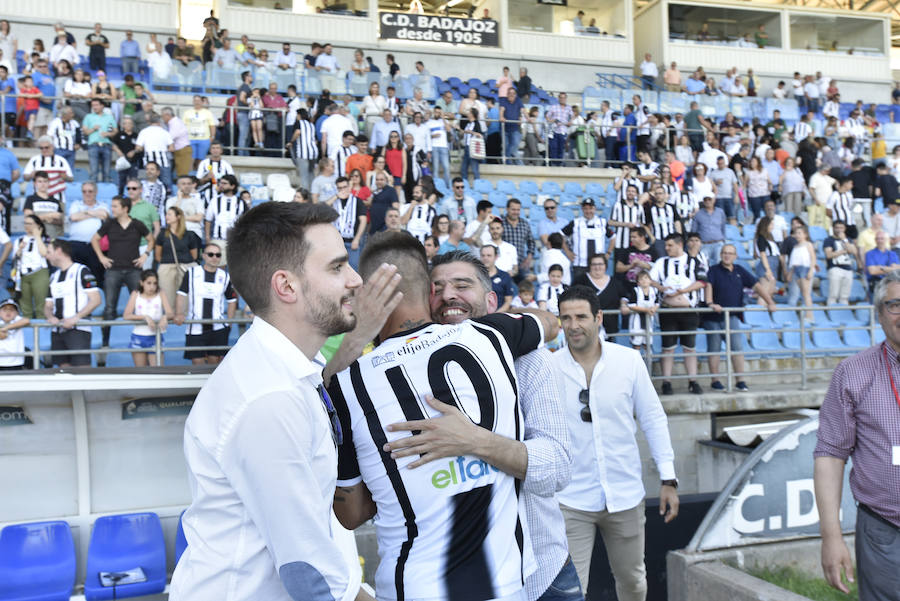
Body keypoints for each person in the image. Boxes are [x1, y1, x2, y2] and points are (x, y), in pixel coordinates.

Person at [326, 230, 559, 601]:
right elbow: (549, 322)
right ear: (429, 292)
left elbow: (351, 513)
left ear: (368, 296)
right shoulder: (492, 335)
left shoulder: (343, 385)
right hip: (507, 586)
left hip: (415, 588)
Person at [170, 202, 367, 601]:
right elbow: (307, 573)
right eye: (336, 267)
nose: (356, 279)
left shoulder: (289, 370)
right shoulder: (270, 398)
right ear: (286, 286)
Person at [553, 285, 679, 600]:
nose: (573, 325)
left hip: (624, 495)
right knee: (571, 590)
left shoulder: (629, 361)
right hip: (570, 499)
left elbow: (652, 418)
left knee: (633, 582)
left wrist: (668, 478)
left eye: (581, 316)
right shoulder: (548, 368)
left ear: (598, 318)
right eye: (566, 318)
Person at [814, 269, 900, 600]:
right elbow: (830, 456)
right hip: (884, 532)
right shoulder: (853, 372)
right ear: (879, 314)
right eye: (894, 305)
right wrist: (831, 536)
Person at [704, 244, 776, 392]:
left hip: (732, 317)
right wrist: (710, 302)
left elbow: (757, 286)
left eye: (730, 253)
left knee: (737, 349)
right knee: (714, 350)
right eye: (724, 253)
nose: (727, 255)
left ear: (735, 256)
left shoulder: (740, 271)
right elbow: (708, 286)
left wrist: (770, 302)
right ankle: (715, 381)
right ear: (721, 255)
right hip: (713, 317)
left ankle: (740, 381)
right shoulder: (713, 270)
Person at [650, 233, 707, 395]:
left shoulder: (694, 262)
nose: (666, 248)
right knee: (668, 348)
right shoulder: (662, 262)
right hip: (668, 310)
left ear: (679, 244)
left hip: (688, 310)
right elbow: (651, 280)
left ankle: (693, 381)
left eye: (669, 245)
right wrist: (661, 289)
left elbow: (702, 281)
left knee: (690, 347)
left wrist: (683, 291)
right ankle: (666, 382)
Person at [173, 242, 236, 365]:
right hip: (195, 326)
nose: (214, 257)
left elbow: (232, 300)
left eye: (218, 255)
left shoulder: (225, 276)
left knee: (214, 366)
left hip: (217, 327)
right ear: (204, 256)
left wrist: (229, 322)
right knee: (198, 365)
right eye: (211, 254)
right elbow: (181, 294)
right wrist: (179, 313)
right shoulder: (191, 273)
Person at [44, 239, 101, 367]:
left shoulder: (82, 271)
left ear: (59, 251)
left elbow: (96, 299)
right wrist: (50, 316)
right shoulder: (54, 276)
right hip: (57, 330)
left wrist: (76, 318)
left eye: (49, 252)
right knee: (62, 371)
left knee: (82, 371)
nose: (46, 256)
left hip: (78, 329)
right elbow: (48, 305)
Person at [122, 269, 172, 366]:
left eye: (155, 283)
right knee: (141, 372)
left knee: (158, 371)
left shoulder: (161, 293)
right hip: (139, 336)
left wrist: (165, 317)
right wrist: (145, 317)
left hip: (156, 336)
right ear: (141, 283)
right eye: (149, 283)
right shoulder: (136, 293)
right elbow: (126, 315)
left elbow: (170, 313)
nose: (152, 286)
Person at [156, 206, 201, 310]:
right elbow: (158, 255)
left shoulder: (190, 235)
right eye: (166, 214)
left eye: (170, 214)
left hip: (186, 267)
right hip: (167, 267)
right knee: (167, 295)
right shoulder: (162, 234)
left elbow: (194, 255)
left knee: (186, 296)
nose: (167, 216)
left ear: (178, 217)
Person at [14, 214, 50, 319]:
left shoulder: (45, 238)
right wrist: (20, 249)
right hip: (23, 274)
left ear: (38, 225)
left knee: (41, 305)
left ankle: (42, 332)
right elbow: (15, 258)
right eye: (25, 223)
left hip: (39, 272)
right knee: (25, 307)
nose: (27, 226)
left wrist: (37, 236)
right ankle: (28, 333)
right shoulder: (20, 239)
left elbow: (45, 253)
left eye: (30, 224)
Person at [204, 174, 245, 265]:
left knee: (234, 268)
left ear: (232, 186)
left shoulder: (241, 202)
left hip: (234, 240)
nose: (221, 185)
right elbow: (208, 220)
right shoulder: (215, 200)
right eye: (220, 183)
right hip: (218, 239)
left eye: (224, 183)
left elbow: (245, 222)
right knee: (217, 266)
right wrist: (207, 237)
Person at [333, 176, 367, 271]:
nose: (343, 190)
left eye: (344, 187)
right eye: (340, 188)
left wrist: (357, 239)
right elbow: (322, 207)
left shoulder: (357, 201)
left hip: (351, 242)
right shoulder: (335, 201)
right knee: (337, 269)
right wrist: (336, 196)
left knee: (353, 268)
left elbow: (363, 221)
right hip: (336, 242)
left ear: (349, 187)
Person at [786, 224, 816, 323]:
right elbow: (794, 261)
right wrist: (790, 273)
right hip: (797, 269)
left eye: (800, 233)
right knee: (802, 293)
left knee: (806, 294)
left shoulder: (808, 244)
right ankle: (803, 316)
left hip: (805, 268)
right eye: (796, 233)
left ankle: (810, 316)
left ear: (805, 234)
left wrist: (811, 270)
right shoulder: (795, 246)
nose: (797, 235)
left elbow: (813, 258)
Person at [823, 220, 857, 305]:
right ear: (833, 228)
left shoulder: (848, 240)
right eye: (837, 228)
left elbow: (853, 251)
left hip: (848, 268)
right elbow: (829, 255)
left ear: (845, 229)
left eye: (841, 228)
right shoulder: (829, 240)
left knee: (845, 296)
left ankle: (843, 313)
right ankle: (832, 312)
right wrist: (843, 251)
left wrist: (844, 240)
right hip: (835, 268)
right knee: (833, 295)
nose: (839, 230)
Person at [23, 170, 65, 239]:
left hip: (52, 238)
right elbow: (29, 219)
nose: (43, 184)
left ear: (49, 183)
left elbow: (61, 222)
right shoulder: (30, 199)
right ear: (34, 183)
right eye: (40, 181)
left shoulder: (55, 201)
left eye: (45, 181)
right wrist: (48, 216)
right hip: (35, 238)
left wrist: (51, 220)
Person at [691, 196, 726, 265]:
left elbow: (723, 227)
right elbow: (694, 231)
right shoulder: (698, 214)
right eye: (705, 200)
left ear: (714, 200)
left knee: (720, 264)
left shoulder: (720, 212)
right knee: (703, 265)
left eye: (709, 199)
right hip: (704, 244)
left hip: (718, 243)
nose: (707, 201)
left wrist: (723, 240)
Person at [480, 244, 515, 311]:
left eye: (489, 255)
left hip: (498, 316)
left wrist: (496, 315)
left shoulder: (505, 276)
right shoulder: (474, 276)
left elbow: (508, 301)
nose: (485, 258)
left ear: (496, 257)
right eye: (483, 255)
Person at [866, 230, 900, 296]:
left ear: (886, 240)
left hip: (890, 283)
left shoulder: (892, 254)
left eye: (882, 238)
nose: (879, 241)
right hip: (876, 284)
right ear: (875, 240)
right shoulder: (870, 254)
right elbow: (872, 271)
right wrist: (890, 269)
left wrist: (881, 268)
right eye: (877, 239)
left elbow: (897, 270)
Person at [0, 299, 30, 371]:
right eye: (4, 309)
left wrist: (6, 328)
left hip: (16, 362)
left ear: (17, 313)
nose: (8, 312)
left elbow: (26, 321)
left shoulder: (17, 320)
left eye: (12, 310)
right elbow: (2, 336)